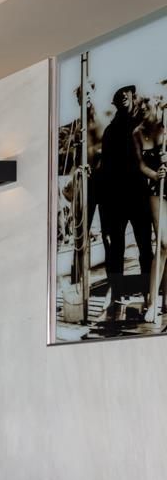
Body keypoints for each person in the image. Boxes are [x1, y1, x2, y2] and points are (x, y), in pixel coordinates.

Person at [93, 85, 160, 321]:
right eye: (118, 95)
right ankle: (116, 295)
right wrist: (103, 202)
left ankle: (148, 294)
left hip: (139, 194)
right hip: (115, 199)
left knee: (145, 247)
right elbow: (105, 168)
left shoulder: (142, 126)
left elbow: (149, 158)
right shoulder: (111, 130)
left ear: (133, 97)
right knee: (115, 249)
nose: (123, 97)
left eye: (127, 93)